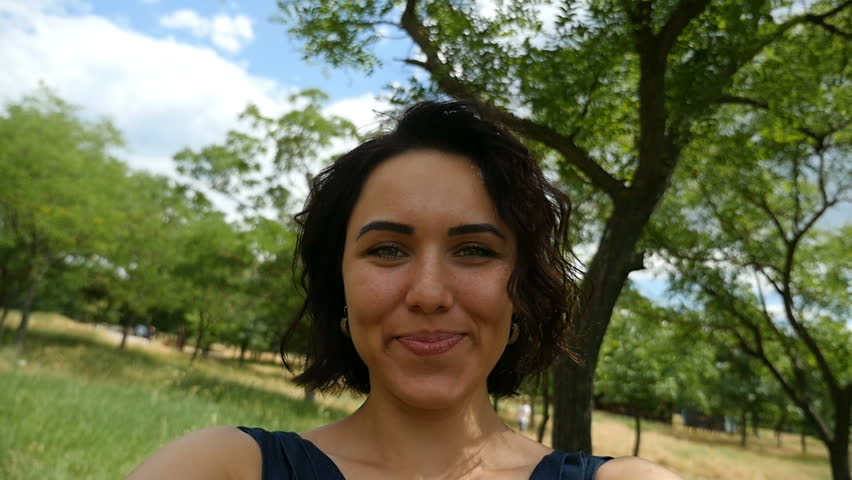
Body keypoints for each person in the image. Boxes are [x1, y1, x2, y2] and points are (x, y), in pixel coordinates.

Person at [128, 101, 680, 479]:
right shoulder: (227, 467)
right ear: (340, 286)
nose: (429, 293)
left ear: (522, 292)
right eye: (388, 250)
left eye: (475, 250)